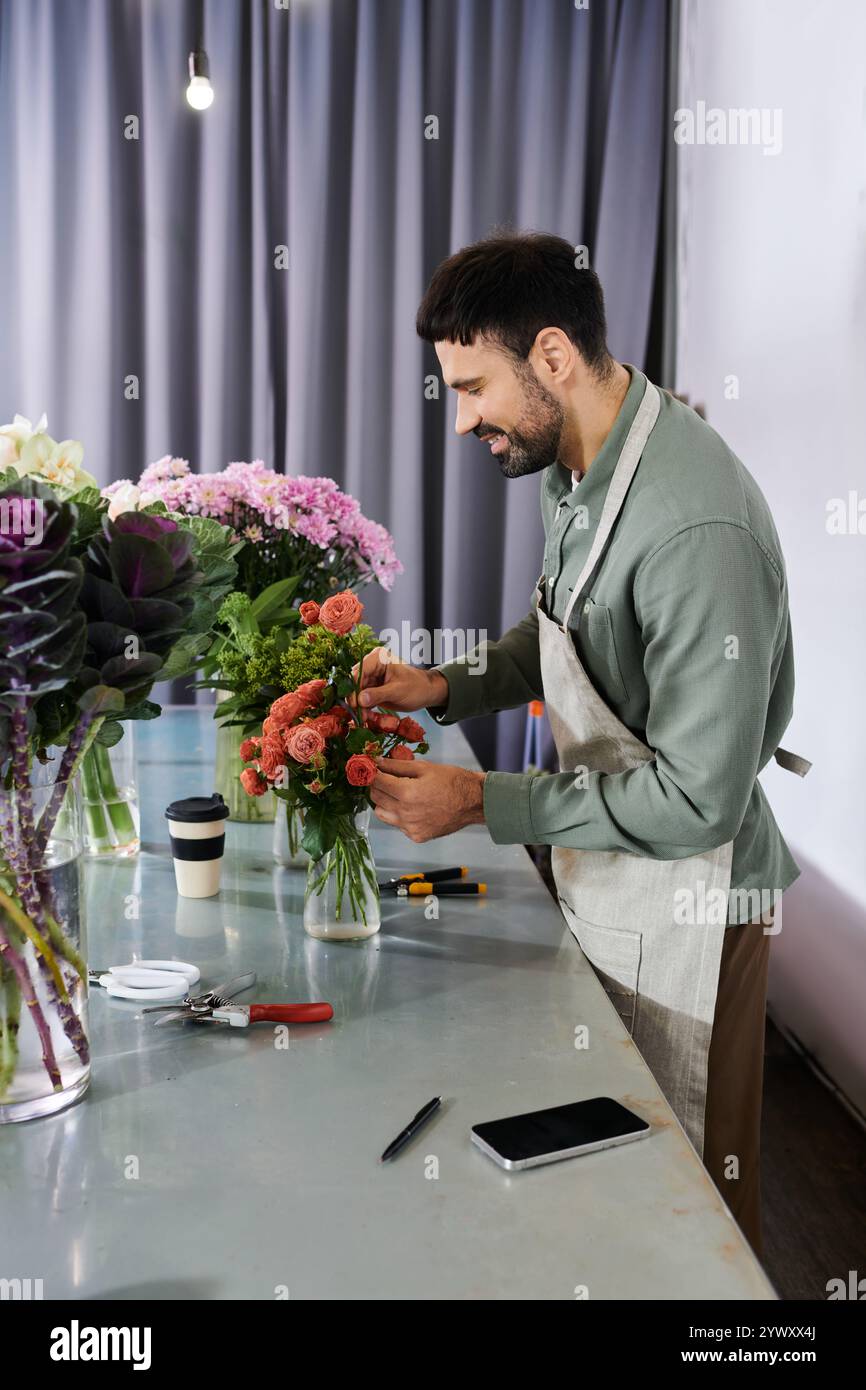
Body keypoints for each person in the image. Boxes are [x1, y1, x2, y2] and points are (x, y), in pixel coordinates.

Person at [352, 231, 809, 1259]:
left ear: (550, 357)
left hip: (699, 896)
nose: (461, 418)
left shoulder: (694, 530)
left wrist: (477, 802)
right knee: (604, 1180)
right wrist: (443, 684)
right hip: (610, 864)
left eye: (472, 388)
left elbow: (698, 802)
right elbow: (562, 630)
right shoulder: (578, 459)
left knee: (690, 1204)